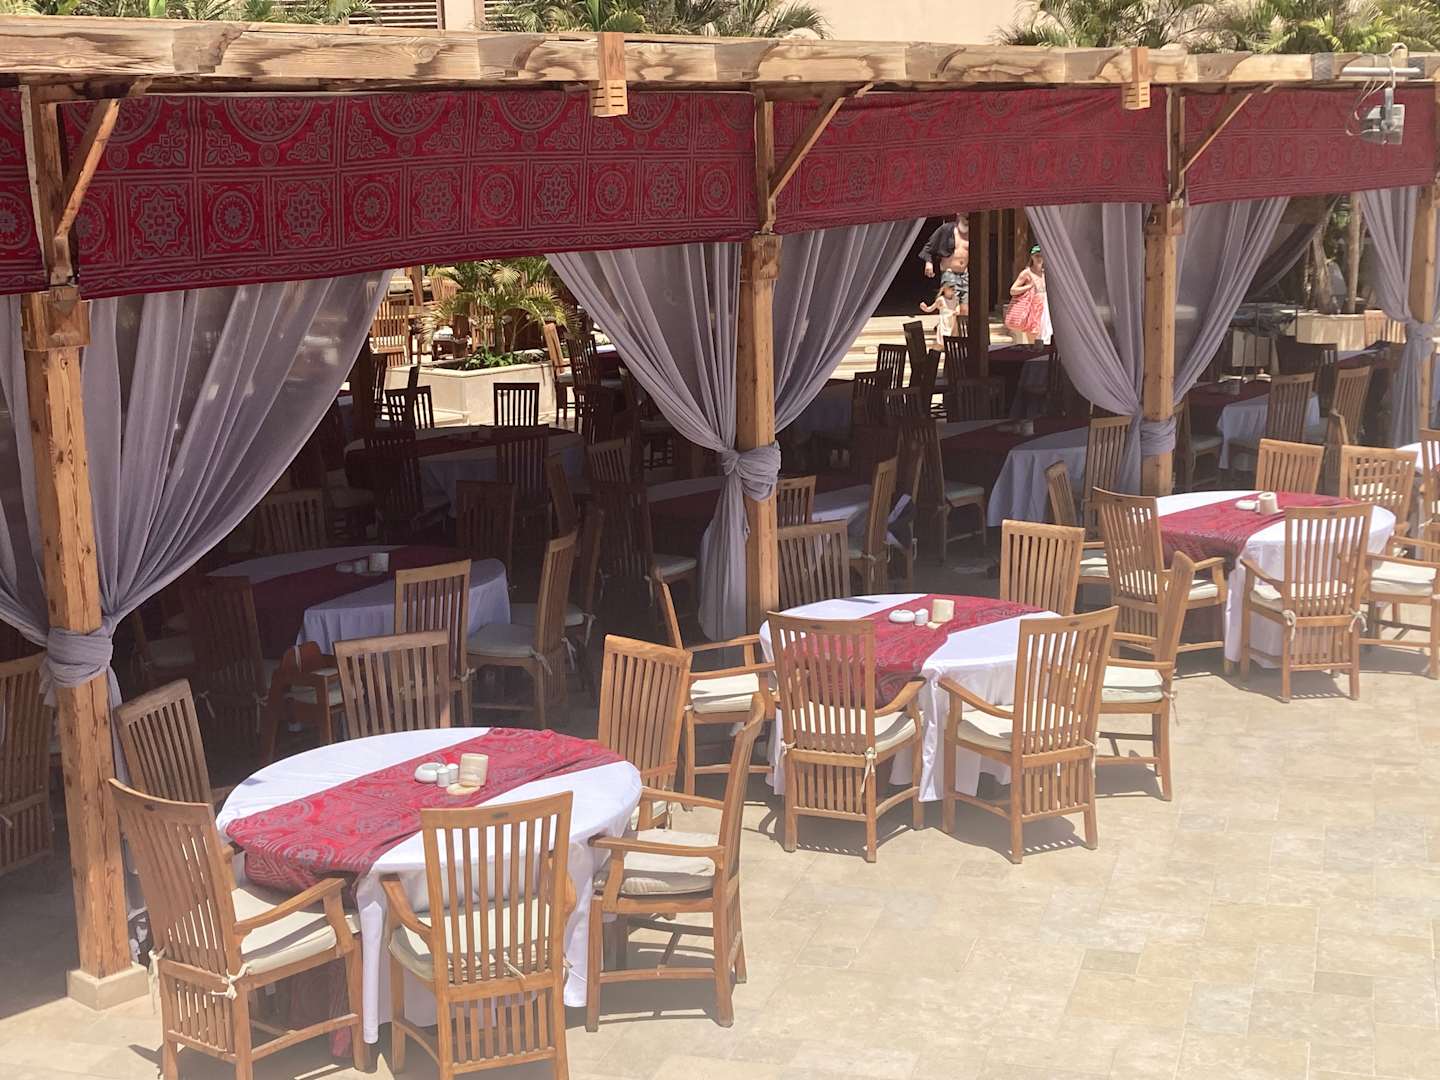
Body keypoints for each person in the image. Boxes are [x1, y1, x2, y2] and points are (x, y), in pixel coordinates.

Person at [919, 213, 969, 316]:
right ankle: (947, 325)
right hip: (949, 273)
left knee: (965, 309)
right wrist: (929, 262)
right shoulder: (946, 229)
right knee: (951, 307)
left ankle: (961, 326)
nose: (967, 217)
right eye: (964, 215)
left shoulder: (973, 232)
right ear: (958, 214)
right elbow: (929, 247)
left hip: (965, 274)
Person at [1006, 245, 1051, 345]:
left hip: (1045, 309)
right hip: (1032, 310)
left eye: (1041, 256)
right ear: (1032, 257)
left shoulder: (1046, 273)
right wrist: (1028, 286)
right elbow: (1013, 290)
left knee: (1046, 338)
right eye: (1037, 256)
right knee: (1033, 341)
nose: (1039, 258)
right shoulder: (1026, 273)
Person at [920, 282, 962, 349]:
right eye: (951, 289)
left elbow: (957, 306)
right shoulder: (941, 299)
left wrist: (957, 311)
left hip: (953, 322)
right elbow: (931, 308)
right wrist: (924, 308)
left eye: (953, 289)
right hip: (944, 323)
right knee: (944, 339)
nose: (953, 291)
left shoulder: (956, 298)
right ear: (945, 289)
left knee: (953, 338)